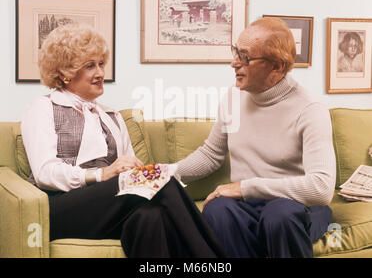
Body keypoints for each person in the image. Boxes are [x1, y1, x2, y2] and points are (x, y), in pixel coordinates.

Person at [21, 23, 226, 258]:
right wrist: (102, 174)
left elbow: (126, 172)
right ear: (64, 73)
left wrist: (131, 170)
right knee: (161, 180)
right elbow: (44, 174)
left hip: (108, 207)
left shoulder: (112, 117)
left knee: (151, 217)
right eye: (89, 66)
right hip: (59, 208)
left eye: (101, 64)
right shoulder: (43, 107)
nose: (100, 73)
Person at [176, 17, 336, 258]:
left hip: (298, 207)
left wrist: (245, 187)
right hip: (248, 206)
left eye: (245, 57)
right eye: (235, 52)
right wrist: (164, 172)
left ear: (277, 67)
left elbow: (321, 188)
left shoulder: (310, 110)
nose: (234, 63)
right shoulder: (232, 97)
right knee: (217, 210)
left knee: (278, 217)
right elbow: (211, 154)